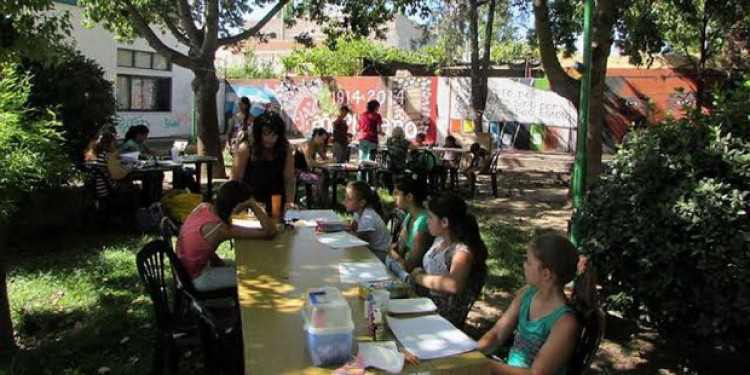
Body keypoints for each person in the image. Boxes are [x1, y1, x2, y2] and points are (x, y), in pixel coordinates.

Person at [476, 235, 598, 375]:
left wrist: (483, 365)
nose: (524, 265)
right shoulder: (526, 294)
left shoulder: (565, 322)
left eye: (528, 261)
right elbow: (497, 334)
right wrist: (469, 353)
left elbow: (537, 373)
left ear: (545, 274)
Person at [177, 181, 277, 291]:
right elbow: (269, 232)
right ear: (237, 205)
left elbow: (199, 242)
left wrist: (217, 262)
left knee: (247, 265)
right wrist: (253, 204)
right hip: (193, 278)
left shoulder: (203, 207)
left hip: (184, 268)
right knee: (251, 276)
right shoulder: (221, 229)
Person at [410, 193, 487, 328]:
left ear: (444, 222)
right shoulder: (439, 240)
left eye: (430, 217)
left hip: (442, 314)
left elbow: (454, 284)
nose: (427, 221)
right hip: (426, 299)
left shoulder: (461, 251)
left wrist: (420, 278)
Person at [230, 111, 296, 213]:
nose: (271, 139)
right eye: (266, 134)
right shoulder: (246, 148)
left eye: (275, 135)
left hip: (277, 202)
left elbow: (289, 180)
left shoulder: (285, 149)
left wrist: (289, 202)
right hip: (250, 203)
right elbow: (235, 179)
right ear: (258, 133)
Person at [388, 175, 434, 272]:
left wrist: (388, 251)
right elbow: (399, 246)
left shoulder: (423, 222)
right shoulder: (409, 216)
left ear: (409, 197)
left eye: (397, 193)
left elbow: (410, 266)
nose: (394, 197)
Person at [343, 181, 391, 261]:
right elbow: (353, 227)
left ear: (362, 202)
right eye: (345, 198)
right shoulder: (358, 213)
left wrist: (347, 230)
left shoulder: (368, 218)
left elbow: (358, 243)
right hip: (370, 250)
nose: (345, 201)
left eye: (349, 199)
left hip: (380, 255)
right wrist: (348, 226)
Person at [299, 128, 330, 206]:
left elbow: (325, 158)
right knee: (318, 178)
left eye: (324, 140)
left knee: (325, 176)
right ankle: (310, 200)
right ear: (316, 136)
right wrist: (327, 162)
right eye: (322, 139)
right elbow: (310, 163)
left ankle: (323, 200)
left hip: (307, 171)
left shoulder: (316, 146)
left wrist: (323, 150)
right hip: (298, 172)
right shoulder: (307, 145)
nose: (323, 142)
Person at [357, 100, 384, 164]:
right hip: (372, 140)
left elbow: (358, 128)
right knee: (370, 161)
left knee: (362, 159)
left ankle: (361, 173)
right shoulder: (377, 116)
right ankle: (370, 173)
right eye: (378, 107)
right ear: (375, 107)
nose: (378, 109)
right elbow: (378, 130)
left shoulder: (361, 115)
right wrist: (382, 133)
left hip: (362, 138)